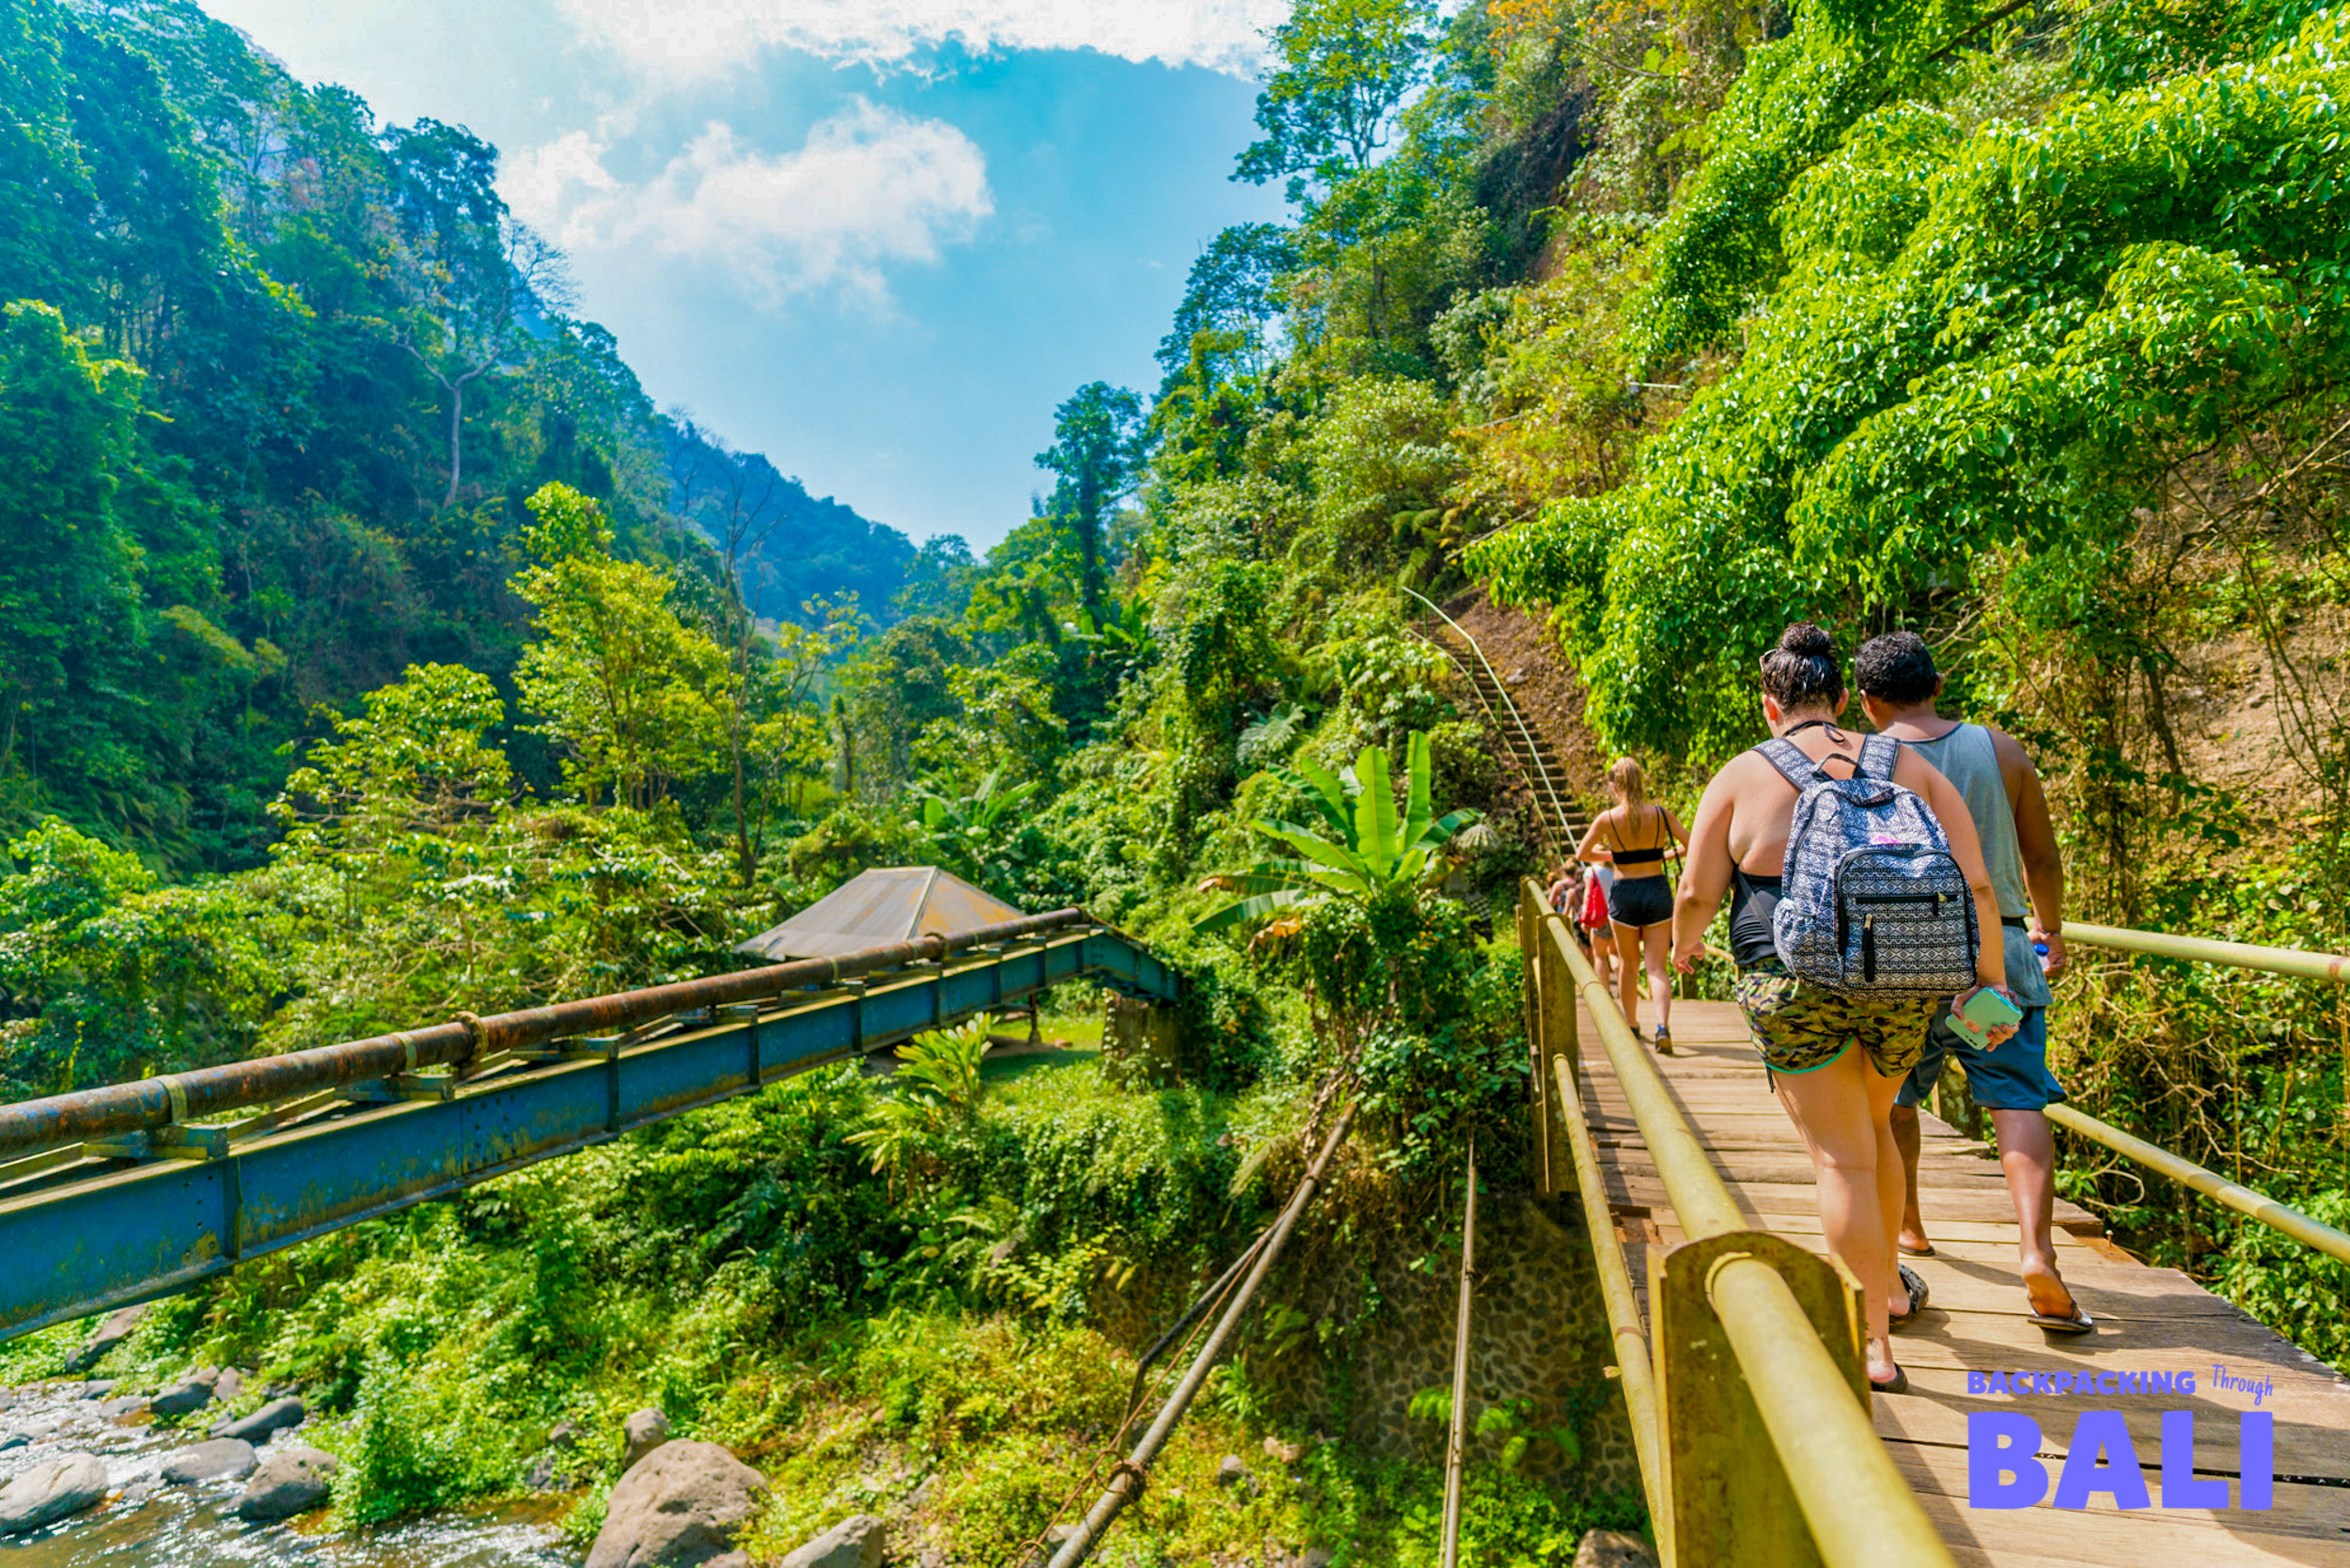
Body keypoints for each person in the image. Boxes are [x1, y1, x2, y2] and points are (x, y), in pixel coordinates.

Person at [1669, 623, 2018, 1394]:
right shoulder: (1910, 764)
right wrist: (1985, 982)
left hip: (1794, 985)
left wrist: (1683, 948)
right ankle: (1889, 1286)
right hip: (1904, 977)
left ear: (1771, 706)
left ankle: (1870, 1341)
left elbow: (1696, 892)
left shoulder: (1742, 774)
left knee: (1838, 1156)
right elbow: (1980, 886)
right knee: (1874, 1131)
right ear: (1839, 696)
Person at [1855, 632, 2088, 1335]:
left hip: (1902, 963)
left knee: (1893, 1097)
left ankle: (1910, 1227)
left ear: (1866, 701)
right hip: (2000, 956)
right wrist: (2053, 929)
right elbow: (2041, 854)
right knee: (2016, 1099)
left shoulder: (1862, 760)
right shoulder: (2001, 750)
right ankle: (2036, 1252)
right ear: (1939, 682)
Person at [1577, 758, 1687, 1051]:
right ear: (1642, 782)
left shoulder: (1608, 819)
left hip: (1624, 892)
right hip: (1657, 890)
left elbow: (1582, 853)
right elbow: (1691, 843)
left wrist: (1615, 857)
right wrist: (1659, 855)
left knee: (1628, 965)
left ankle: (1632, 1026)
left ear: (1614, 786)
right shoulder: (1661, 815)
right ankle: (1663, 1027)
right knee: (1657, 967)